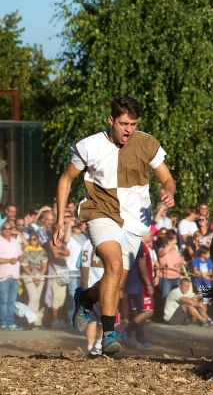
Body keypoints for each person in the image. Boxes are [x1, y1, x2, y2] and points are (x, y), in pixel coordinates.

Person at [53, 94, 176, 355]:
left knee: (114, 280)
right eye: (123, 124)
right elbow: (65, 180)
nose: (128, 130)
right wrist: (57, 221)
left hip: (134, 220)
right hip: (100, 212)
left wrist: (169, 191)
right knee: (114, 264)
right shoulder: (89, 146)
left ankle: (85, 299)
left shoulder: (147, 143)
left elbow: (167, 178)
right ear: (111, 120)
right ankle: (109, 332)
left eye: (133, 124)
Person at [121, 231, 155, 348]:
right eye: (150, 234)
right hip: (140, 286)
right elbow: (142, 266)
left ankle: (140, 339)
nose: (151, 236)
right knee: (149, 311)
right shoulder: (141, 247)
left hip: (131, 284)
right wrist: (148, 284)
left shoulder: (133, 245)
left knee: (138, 313)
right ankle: (127, 330)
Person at [0, 221, 25, 330]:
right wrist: (9, 260)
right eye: (5, 228)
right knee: (3, 301)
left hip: (15, 276)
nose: (7, 230)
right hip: (3, 276)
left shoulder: (15, 242)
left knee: (11, 301)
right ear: (1, 229)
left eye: (9, 228)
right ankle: (4, 322)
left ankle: (10, 322)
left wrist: (20, 258)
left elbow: (20, 254)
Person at [20, 233, 48, 328]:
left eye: (34, 239)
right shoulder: (26, 251)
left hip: (40, 276)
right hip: (29, 276)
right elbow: (24, 266)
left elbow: (44, 265)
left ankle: (36, 321)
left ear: (38, 240)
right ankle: (29, 320)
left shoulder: (42, 251)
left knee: (37, 299)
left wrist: (39, 276)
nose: (32, 241)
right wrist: (33, 277)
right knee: (32, 298)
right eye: (31, 239)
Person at [156, 229, 183, 299]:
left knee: (176, 297)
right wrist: (171, 242)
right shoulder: (161, 250)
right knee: (166, 297)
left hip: (176, 277)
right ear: (166, 243)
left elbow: (180, 262)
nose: (173, 245)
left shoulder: (175, 251)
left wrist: (179, 264)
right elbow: (163, 252)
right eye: (171, 243)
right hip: (166, 278)